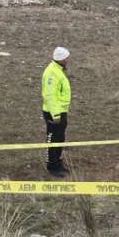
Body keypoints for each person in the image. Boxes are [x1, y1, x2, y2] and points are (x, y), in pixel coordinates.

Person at [41, 47, 72, 177]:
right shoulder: (52, 73)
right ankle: (52, 167)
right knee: (53, 139)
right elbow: (49, 96)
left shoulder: (57, 70)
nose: (68, 60)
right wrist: (56, 115)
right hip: (55, 113)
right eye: (66, 58)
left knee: (59, 138)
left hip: (60, 111)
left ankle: (57, 163)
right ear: (61, 59)